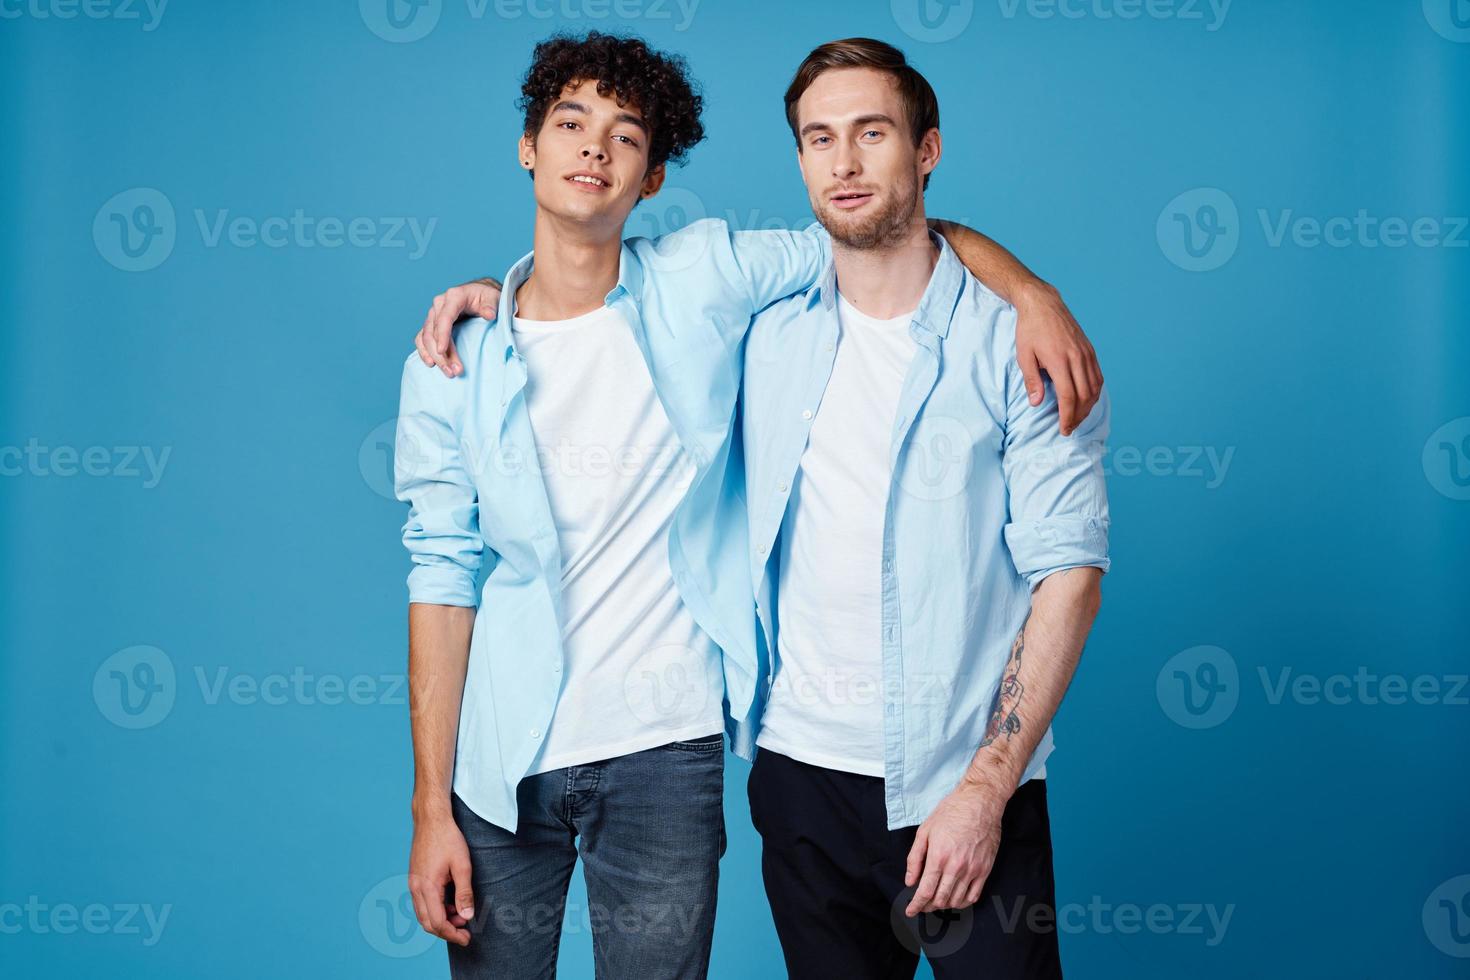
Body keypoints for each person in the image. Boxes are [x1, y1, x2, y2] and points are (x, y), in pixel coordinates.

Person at [399, 31, 1103, 980]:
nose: (594, 149)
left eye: (626, 135)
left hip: (775, 764)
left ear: (651, 176)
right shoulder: (474, 356)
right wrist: (430, 808)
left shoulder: (722, 286)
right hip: (615, 771)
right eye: (569, 123)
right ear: (529, 144)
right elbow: (441, 569)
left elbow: (888, 234)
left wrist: (1031, 290)